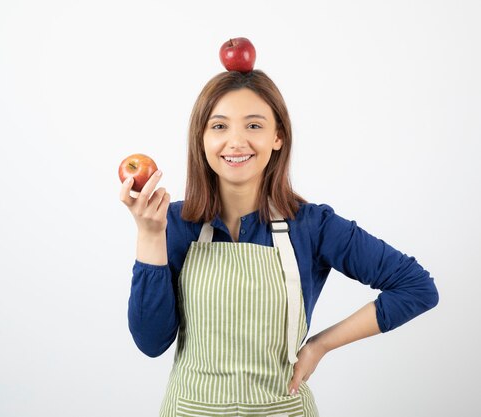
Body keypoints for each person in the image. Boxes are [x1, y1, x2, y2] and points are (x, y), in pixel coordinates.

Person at [119, 69, 439, 417]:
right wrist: (150, 236)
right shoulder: (175, 225)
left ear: (278, 137)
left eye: (254, 125)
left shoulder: (313, 226)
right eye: (220, 126)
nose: (236, 141)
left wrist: (320, 345)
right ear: (201, 138)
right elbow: (151, 343)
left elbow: (416, 287)